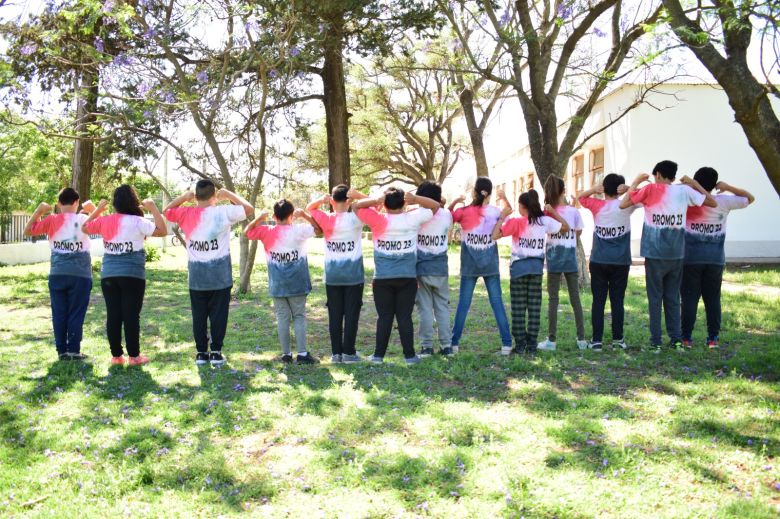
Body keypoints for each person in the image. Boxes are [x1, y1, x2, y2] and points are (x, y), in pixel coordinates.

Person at [620, 160, 717, 352]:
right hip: (677, 254)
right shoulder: (685, 192)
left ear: (657, 174)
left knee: (655, 298)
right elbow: (712, 202)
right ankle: (676, 340)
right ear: (673, 176)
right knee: (673, 298)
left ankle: (655, 341)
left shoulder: (649, 190)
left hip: (655, 254)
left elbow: (623, 204)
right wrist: (694, 184)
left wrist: (636, 181)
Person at [163, 180, 253, 365]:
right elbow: (249, 208)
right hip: (220, 274)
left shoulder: (186, 212)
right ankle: (216, 352)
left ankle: (201, 353)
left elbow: (167, 211)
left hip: (197, 275)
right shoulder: (223, 212)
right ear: (214, 196)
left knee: (199, 315)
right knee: (219, 314)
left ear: (195, 196)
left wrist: (183, 197)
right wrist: (228, 195)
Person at [81, 185, 167, 365]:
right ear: (133, 201)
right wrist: (152, 208)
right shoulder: (137, 221)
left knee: (113, 315)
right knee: (131, 315)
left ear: (115, 203)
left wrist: (98, 209)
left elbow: (84, 227)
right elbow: (162, 230)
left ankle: (116, 357)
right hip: (132, 275)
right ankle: (134, 357)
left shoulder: (106, 220)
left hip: (109, 276)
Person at [353, 188, 438, 364]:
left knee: (384, 317)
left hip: (383, 278)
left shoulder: (378, 219)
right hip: (407, 278)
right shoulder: (412, 218)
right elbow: (436, 206)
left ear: (384, 204)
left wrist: (375, 200)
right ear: (404, 203)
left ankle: (378, 356)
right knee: (404, 317)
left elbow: (355, 206)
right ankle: (410, 356)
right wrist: (416, 198)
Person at [681, 167, 754, 349]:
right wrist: (728, 187)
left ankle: (686, 338)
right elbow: (749, 198)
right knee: (712, 299)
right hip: (715, 260)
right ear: (715, 185)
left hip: (690, 259)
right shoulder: (724, 201)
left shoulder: (688, 200)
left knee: (689, 298)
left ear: (696, 181)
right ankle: (713, 338)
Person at [492, 190, 568, 354]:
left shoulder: (516, 222)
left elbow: (495, 236)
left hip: (518, 269)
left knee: (518, 309)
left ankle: (520, 345)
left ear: (523, 206)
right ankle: (532, 345)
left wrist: (501, 218)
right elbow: (565, 227)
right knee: (534, 308)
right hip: (536, 270)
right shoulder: (544, 221)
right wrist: (553, 213)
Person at [246, 200, 321, 365]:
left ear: (274, 216)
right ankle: (302, 354)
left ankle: (286, 354)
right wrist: (306, 216)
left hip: (278, 283)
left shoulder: (266, 231)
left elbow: (247, 232)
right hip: (298, 283)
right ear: (291, 216)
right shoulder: (300, 230)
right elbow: (319, 230)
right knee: (299, 316)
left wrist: (259, 218)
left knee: (282, 318)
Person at [23, 188, 95, 361]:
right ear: (77, 203)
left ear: (58, 204)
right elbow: (107, 224)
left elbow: (28, 231)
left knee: (59, 312)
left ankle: (61, 350)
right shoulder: (83, 218)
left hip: (57, 273)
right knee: (76, 312)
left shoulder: (51, 219)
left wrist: (39, 211)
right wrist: (92, 209)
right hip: (81, 274)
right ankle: (74, 350)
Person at [449, 177, 513, 355]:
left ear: (474, 192)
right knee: (497, 302)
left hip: (469, 265)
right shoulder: (495, 212)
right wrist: (505, 198)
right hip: (490, 264)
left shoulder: (464, 211)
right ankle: (507, 343)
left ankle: (454, 343)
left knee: (463, 303)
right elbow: (510, 213)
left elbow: (447, 216)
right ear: (490, 194)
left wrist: (454, 202)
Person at [307, 185, 366, 364]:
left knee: (335, 315)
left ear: (332, 202)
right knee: (351, 314)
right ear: (349, 201)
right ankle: (349, 353)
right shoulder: (357, 217)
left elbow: (310, 208)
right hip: (354, 275)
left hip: (332, 276)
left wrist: (321, 200)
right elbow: (377, 206)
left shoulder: (326, 218)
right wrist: (359, 195)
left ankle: (336, 354)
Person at [578, 174, 635, 351]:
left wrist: (593, 190)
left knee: (598, 301)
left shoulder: (596, 205)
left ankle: (596, 341)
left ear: (604, 188)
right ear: (620, 188)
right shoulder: (626, 204)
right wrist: (630, 189)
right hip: (620, 262)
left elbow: (581, 198)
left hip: (598, 261)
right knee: (618, 301)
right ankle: (618, 340)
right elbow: (645, 197)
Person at [537, 175, 586, 352]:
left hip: (553, 259)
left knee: (553, 299)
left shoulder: (546, 212)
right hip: (569, 259)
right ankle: (581, 339)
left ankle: (552, 341)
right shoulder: (573, 211)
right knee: (575, 299)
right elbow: (578, 233)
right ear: (563, 191)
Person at [414, 180, 454, 356]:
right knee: (442, 308)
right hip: (441, 269)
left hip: (422, 268)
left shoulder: (416, 216)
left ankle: (426, 346)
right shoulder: (447, 215)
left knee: (425, 309)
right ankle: (446, 346)